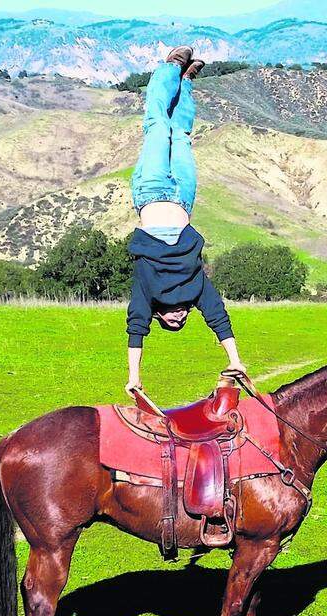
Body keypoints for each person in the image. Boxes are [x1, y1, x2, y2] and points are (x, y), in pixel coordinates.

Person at [125, 46, 245, 395]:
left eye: (169, 322)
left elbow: (135, 328)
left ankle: (170, 69)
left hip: (150, 191)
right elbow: (218, 318)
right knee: (182, 136)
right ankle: (187, 83)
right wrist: (234, 360)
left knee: (158, 126)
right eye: (182, 322)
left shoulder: (148, 290)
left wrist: (135, 377)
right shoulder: (196, 291)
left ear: (159, 316)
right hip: (183, 197)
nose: (178, 320)